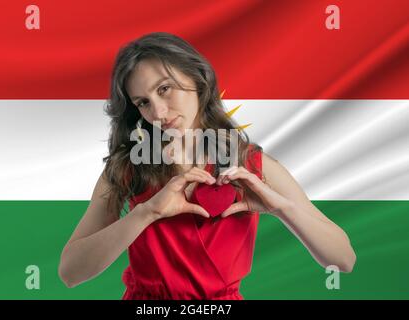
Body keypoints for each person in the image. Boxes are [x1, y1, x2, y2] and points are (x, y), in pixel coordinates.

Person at [58, 32, 356, 300]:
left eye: (164, 89)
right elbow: (70, 272)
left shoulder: (252, 165)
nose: (158, 112)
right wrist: (146, 213)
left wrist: (283, 209)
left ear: (197, 78)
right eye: (143, 102)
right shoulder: (128, 168)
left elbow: (343, 260)